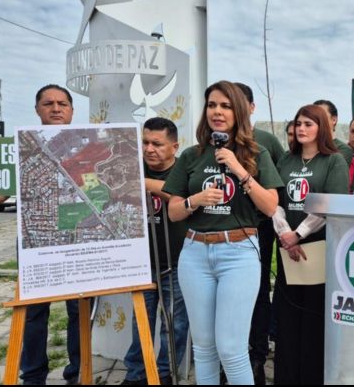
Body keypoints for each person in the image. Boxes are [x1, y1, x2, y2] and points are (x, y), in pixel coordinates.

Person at [163, 81, 283, 385]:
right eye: (212, 105)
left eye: (226, 105)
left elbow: (270, 207)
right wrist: (195, 201)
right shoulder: (192, 156)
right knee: (204, 349)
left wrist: (239, 169)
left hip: (239, 253)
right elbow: (174, 211)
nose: (218, 111)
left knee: (231, 349)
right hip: (195, 254)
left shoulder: (258, 153)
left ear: (239, 111)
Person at [271, 104, 349, 384]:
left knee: (313, 318)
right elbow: (274, 201)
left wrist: (299, 234)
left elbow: (331, 205)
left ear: (322, 128)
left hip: (318, 248)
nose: (302, 129)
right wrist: (285, 234)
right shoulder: (285, 161)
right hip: (287, 248)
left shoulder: (333, 161)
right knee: (288, 318)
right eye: (299, 123)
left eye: (309, 124)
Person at [19, 84, 81, 386]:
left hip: (76, 245)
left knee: (79, 310)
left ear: (71, 110)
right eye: (48, 103)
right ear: (37, 110)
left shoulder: (82, 146)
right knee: (34, 314)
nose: (56, 108)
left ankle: (78, 373)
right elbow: (0, 193)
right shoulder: (22, 148)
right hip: (38, 247)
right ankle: (32, 376)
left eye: (62, 103)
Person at [121, 117, 189, 386]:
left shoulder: (185, 170)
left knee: (175, 325)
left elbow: (179, 193)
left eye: (157, 144)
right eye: (145, 142)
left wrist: (140, 183)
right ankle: (136, 373)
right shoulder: (130, 168)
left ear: (174, 146)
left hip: (177, 261)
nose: (149, 149)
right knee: (141, 323)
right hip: (140, 263)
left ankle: (164, 374)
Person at [233, 82, 286, 385]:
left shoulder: (265, 141)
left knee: (257, 292)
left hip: (259, 229)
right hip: (224, 230)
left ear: (251, 108)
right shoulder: (214, 143)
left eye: (240, 103)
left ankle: (257, 355)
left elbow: (276, 187)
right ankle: (233, 356)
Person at [314, 100, 354, 166]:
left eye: (322, 116)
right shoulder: (305, 147)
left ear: (334, 120)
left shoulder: (343, 149)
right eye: (314, 117)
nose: (317, 120)